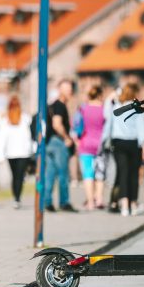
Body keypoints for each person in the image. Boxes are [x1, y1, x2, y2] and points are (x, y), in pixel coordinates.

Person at [102, 82, 144, 216]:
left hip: (118, 143)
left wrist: (104, 140)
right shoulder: (136, 108)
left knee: (123, 173)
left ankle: (124, 206)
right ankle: (133, 204)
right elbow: (141, 127)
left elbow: (107, 121)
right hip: (133, 143)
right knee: (134, 174)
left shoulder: (116, 106)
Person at [42, 80, 77, 213]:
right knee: (63, 173)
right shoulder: (59, 105)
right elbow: (57, 124)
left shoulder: (54, 105)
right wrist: (67, 138)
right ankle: (64, 202)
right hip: (58, 142)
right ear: (60, 90)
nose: (70, 92)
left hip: (50, 142)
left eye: (70, 89)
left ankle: (47, 201)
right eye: (67, 89)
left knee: (50, 173)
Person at [0, 95, 33, 209]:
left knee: (16, 175)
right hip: (18, 153)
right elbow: (2, 138)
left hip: (17, 153)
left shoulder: (23, 119)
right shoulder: (7, 120)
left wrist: (0, 154)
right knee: (18, 176)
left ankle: (16, 197)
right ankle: (17, 196)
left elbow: (27, 136)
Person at [76, 85, 106, 210]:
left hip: (86, 144)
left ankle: (90, 202)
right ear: (100, 95)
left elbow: (77, 126)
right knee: (100, 173)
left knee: (88, 173)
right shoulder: (104, 109)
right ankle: (99, 199)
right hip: (101, 145)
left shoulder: (83, 109)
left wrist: (77, 139)